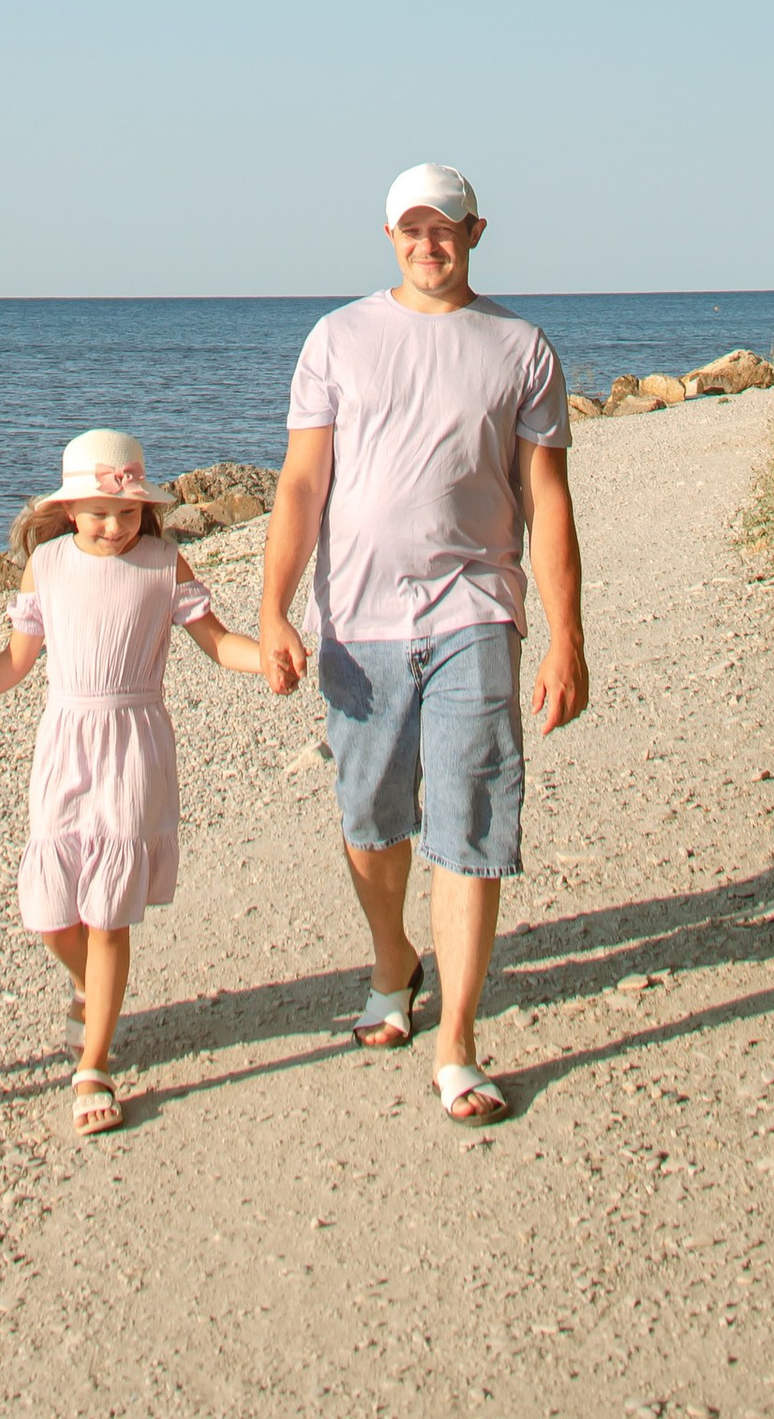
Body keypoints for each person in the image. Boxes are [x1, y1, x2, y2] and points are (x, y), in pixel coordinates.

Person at [256, 163, 587, 1125]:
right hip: (357, 620)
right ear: (389, 237)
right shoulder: (339, 338)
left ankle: (458, 1045)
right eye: (411, 228)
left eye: (443, 227)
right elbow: (301, 484)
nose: (427, 244)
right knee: (371, 816)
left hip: (474, 611)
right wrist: (274, 609)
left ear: (476, 232)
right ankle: (393, 960)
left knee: (471, 817)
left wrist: (566, 638)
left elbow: (548, 500)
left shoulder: (521, 347)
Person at [0, 428, 261, 1137]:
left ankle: (93, 1065)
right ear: (68, 510)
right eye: (99, 513)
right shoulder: (48, 564)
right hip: (65, 739)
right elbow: (16, 660)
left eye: (127, 513)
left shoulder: (163, 563)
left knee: (107, 911)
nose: (115, 526)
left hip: (134, 743)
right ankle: (89, 987)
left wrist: (269, 658)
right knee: (51, 911)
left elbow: (218, 643)